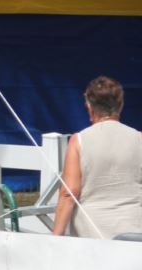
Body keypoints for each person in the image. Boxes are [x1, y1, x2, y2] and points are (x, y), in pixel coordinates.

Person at [52, 75, 142, 239]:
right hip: (135, 231)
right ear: (120, 105)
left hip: (91, 234)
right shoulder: (139, 139)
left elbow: (68, 193)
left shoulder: (79, 140)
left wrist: (55, 236)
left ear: (89, 106)